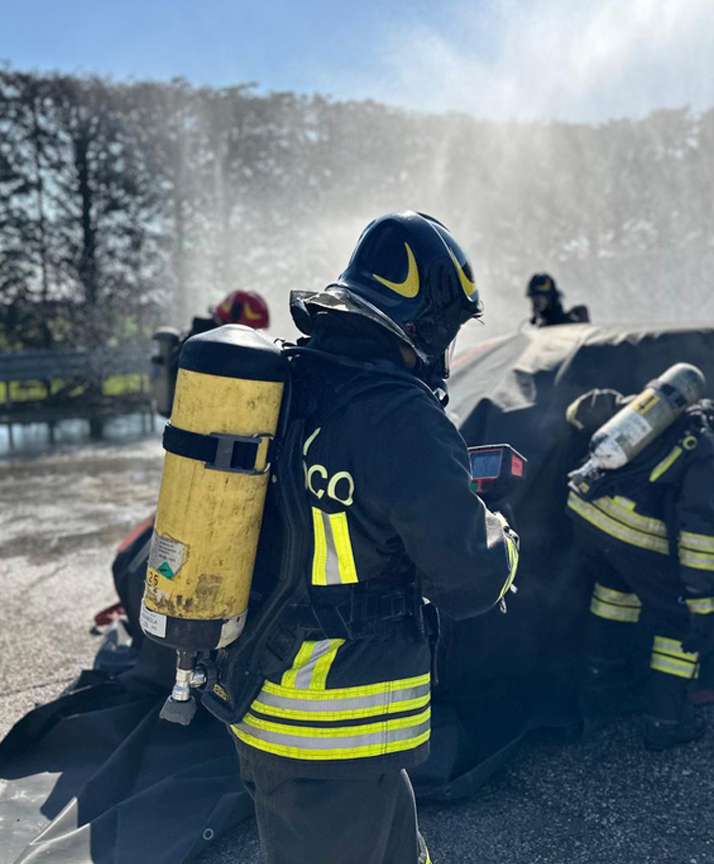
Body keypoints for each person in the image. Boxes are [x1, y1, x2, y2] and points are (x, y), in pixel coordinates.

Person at [231, 211, 520, 864]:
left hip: (268, 702)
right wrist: (499, 532)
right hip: (333, 732)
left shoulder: (292, 383)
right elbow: (468, 580)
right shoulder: (399, 416)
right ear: (428, 325)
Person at [562, 380, 714, 750]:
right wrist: (699, 597)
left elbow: (580, 412)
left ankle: (600, 702)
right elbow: (699, 530)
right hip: (629, 533)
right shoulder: (708, 449)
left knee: (615, 597)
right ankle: (667, 724)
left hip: (583, 513)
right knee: (678, 625)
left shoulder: (650, 413)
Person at [151, 289, 271, 417]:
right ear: (236, 324)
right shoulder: (207, 345)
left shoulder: (203, 339)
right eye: (253, 330)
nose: (255, 337)